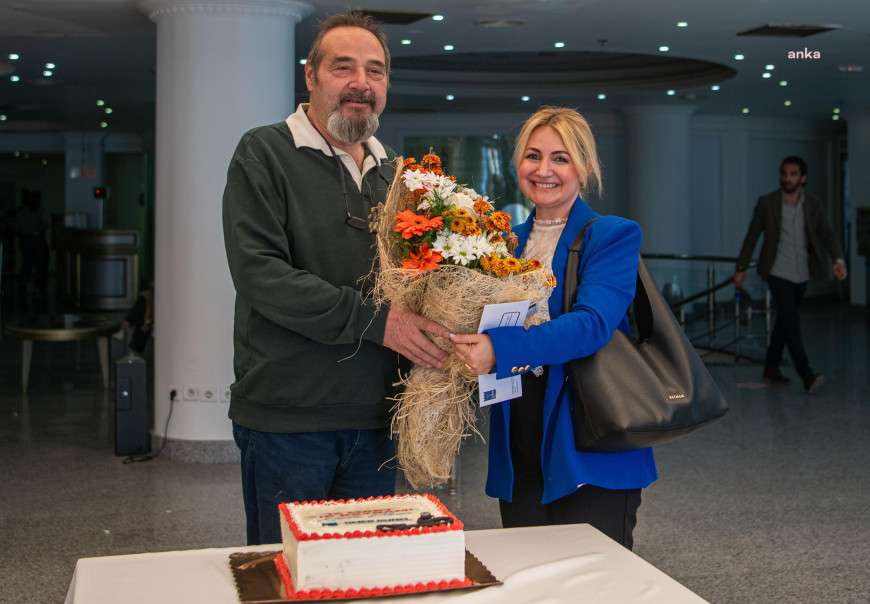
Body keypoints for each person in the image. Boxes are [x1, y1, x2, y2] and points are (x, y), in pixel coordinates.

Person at [222, 11, 450, 545]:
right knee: (289, 576)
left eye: (375, 71)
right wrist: (378, 321)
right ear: (311, 75)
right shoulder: (264, 153)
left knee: (366, 577)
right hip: (289, 420)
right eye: (343, 67)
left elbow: (420, 283)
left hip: (379, 418)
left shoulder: (398, 173)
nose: (360, 84)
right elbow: (261, 275)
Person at [451, 107, 657, 549]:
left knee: (595, 586)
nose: (544, 170)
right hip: (520, 436)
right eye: (533, 156)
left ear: (583, 168)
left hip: (588, 435)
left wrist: (498, 350)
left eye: (560, 158)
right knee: (530, 578)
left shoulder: (612, 235)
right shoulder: (502, 242)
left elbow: (591, 325)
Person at [734, 156, 847, 393]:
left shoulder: (813, 205)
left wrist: (838, 260)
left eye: (793, 174)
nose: (787, 178)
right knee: (792, 319)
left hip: (802, 273)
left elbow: (827, 234)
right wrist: (741, 268)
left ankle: (771, 367)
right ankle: (806, 373)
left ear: (802, 178)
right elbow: (752, 235)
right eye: (784, 173)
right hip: (777, 271)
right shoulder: (768, 203)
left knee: (785, 322)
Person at [15, 189, 48, 296]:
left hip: (25, 239)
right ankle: (36, 288)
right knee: (38, 264)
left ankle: (23, 286)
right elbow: (44, 225)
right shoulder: (38, 211)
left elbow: (18, 228)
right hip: (35, 239)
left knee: (26, 264)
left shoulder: (21, 212)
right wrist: (37, 232)